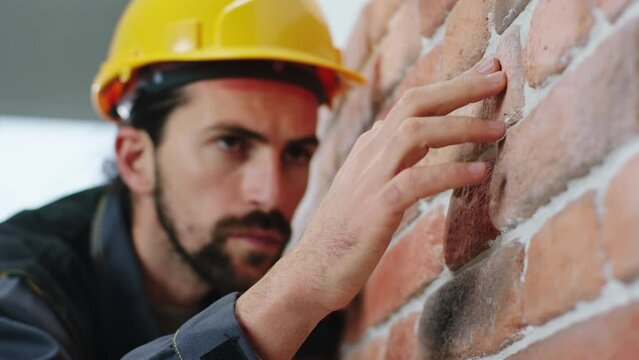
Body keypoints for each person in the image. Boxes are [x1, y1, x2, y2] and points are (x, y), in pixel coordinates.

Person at [0, 0, 507, 359]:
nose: (270, 193)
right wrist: (302, 283)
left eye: (297, 153)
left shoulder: (286, 303)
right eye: (231, 144)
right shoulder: (21, 284)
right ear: (135, 159)